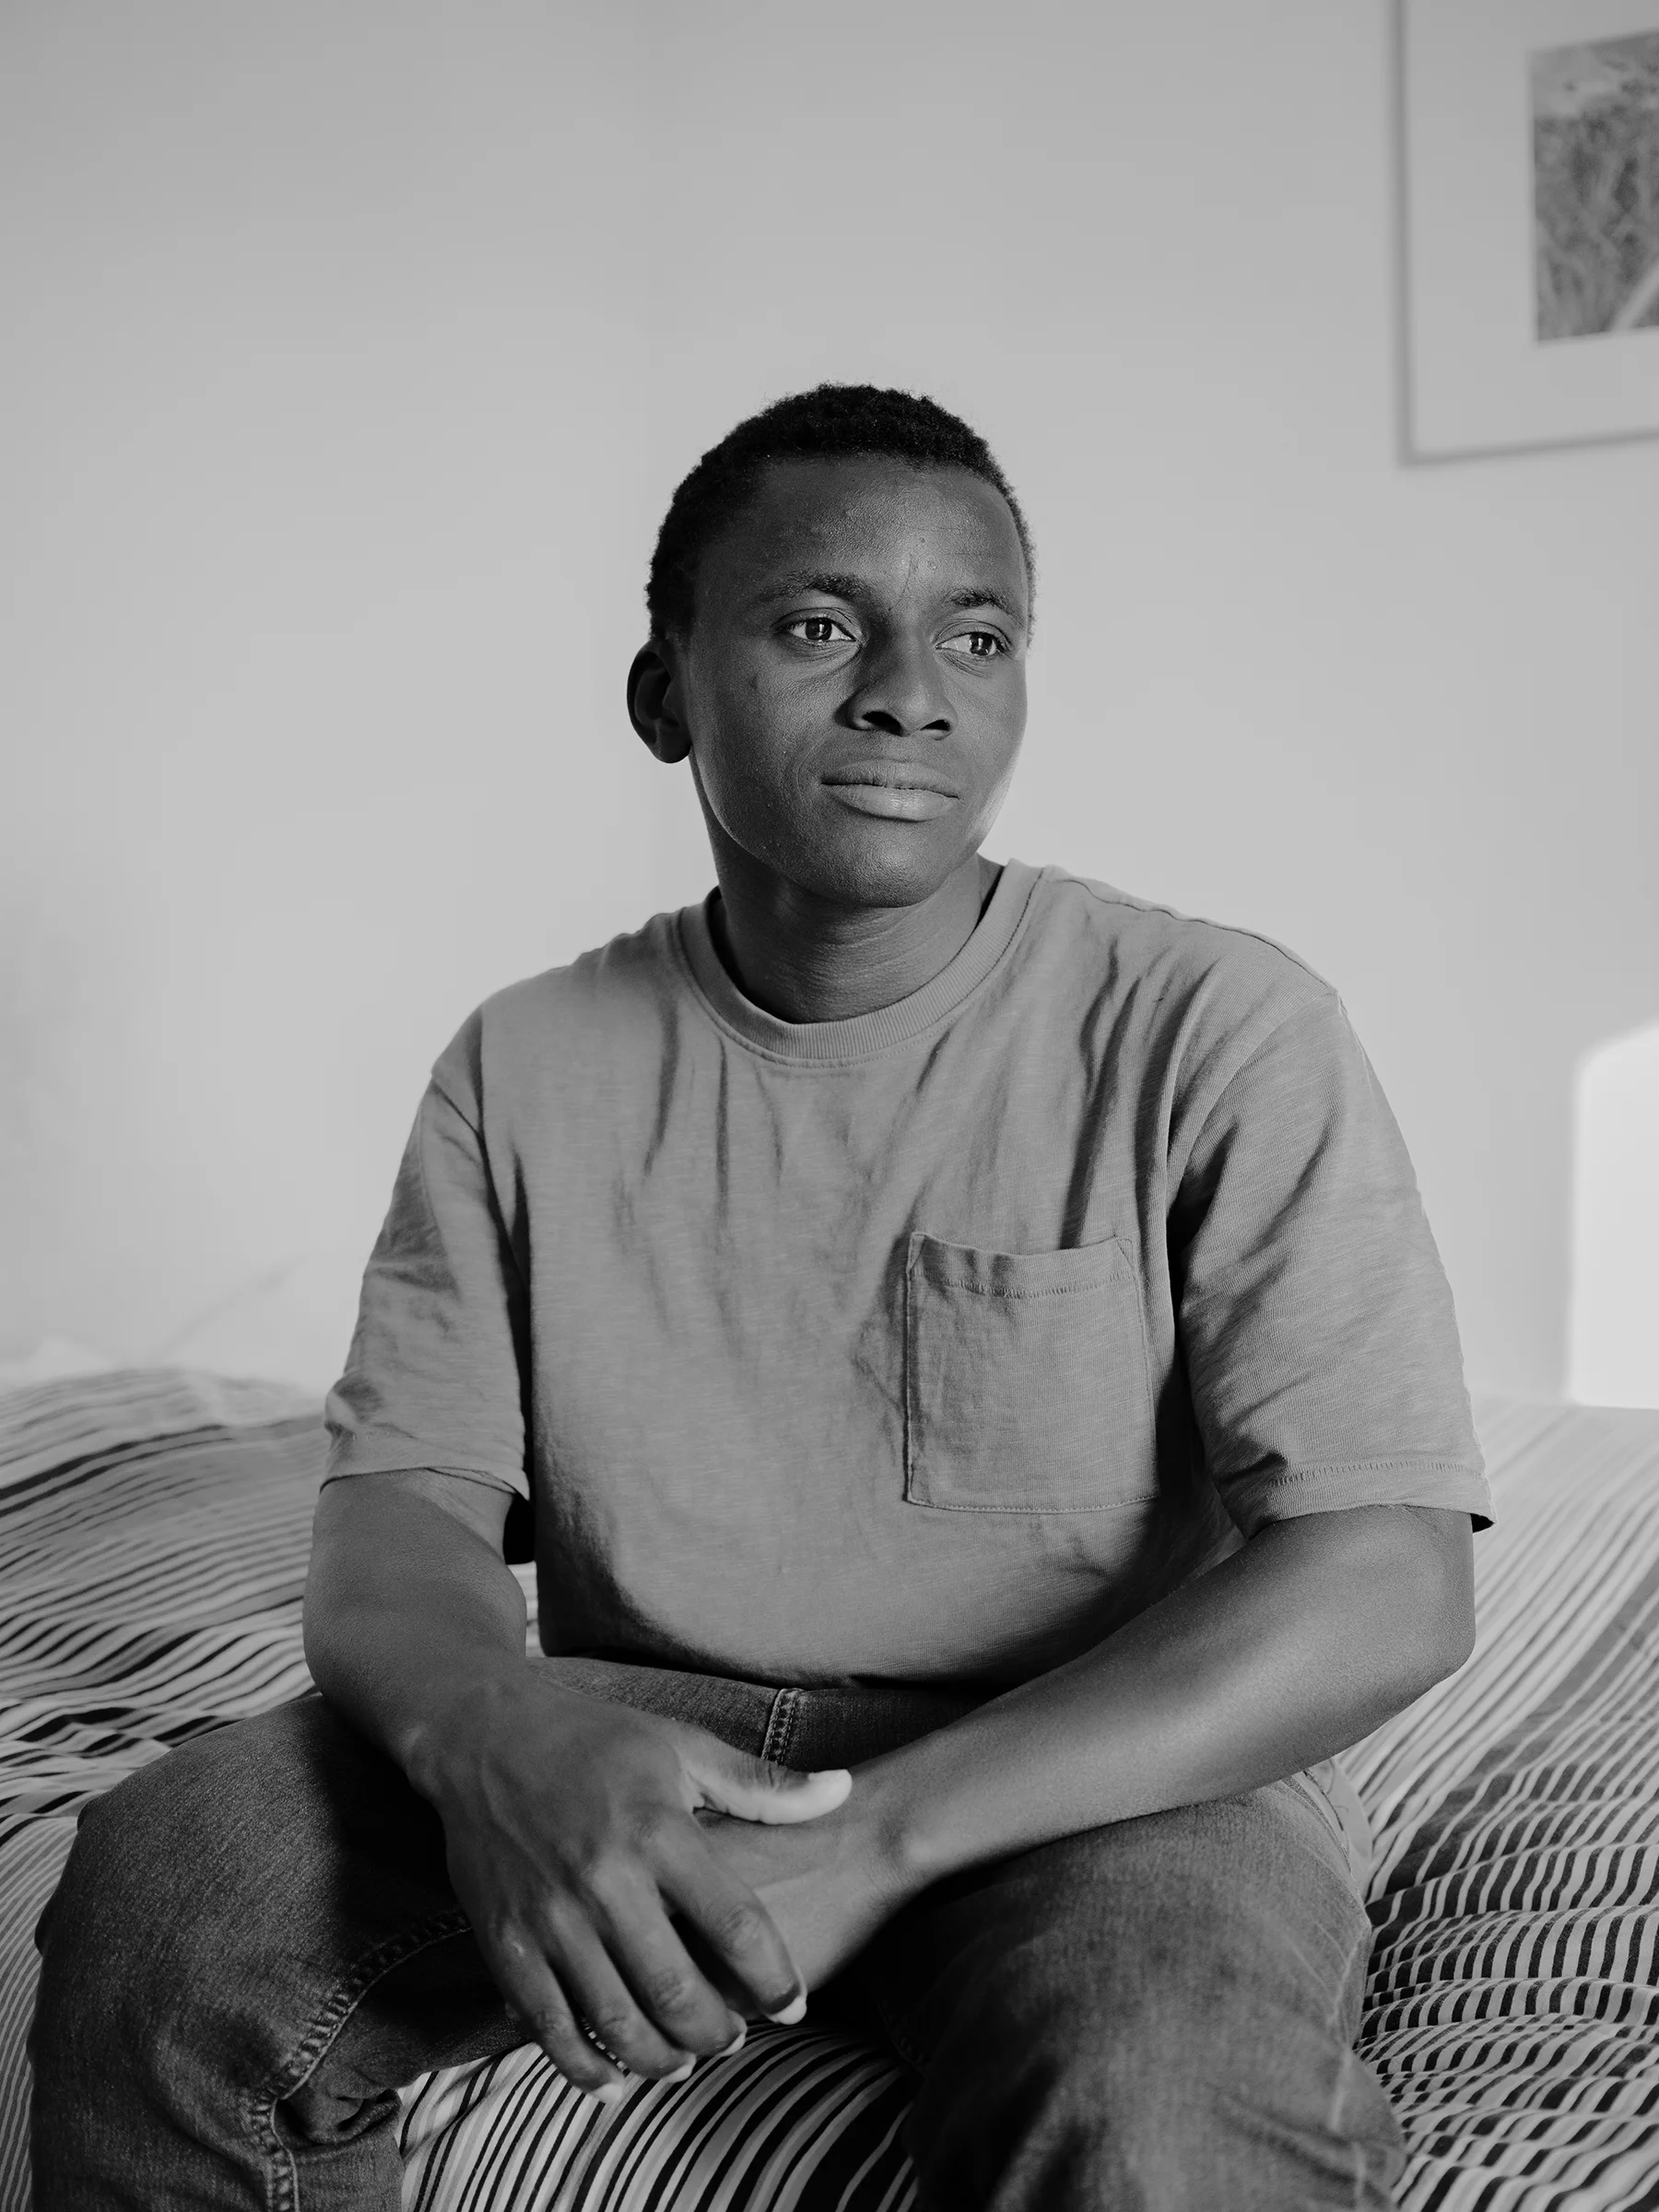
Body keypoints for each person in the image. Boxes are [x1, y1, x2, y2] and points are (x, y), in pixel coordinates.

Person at [31, 384, 1492, 2211]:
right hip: (646, 1727)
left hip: (1105, 1765)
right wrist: (507, 1730)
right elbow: (399, 1509)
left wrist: (880, 1840)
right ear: (666, 693)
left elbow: (1386, 1574)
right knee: (166, 1898)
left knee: (1162, 2094)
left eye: (979, 634)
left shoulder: (1217, 1026)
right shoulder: (527, 1062)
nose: (910, 687)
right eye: (818, 625)